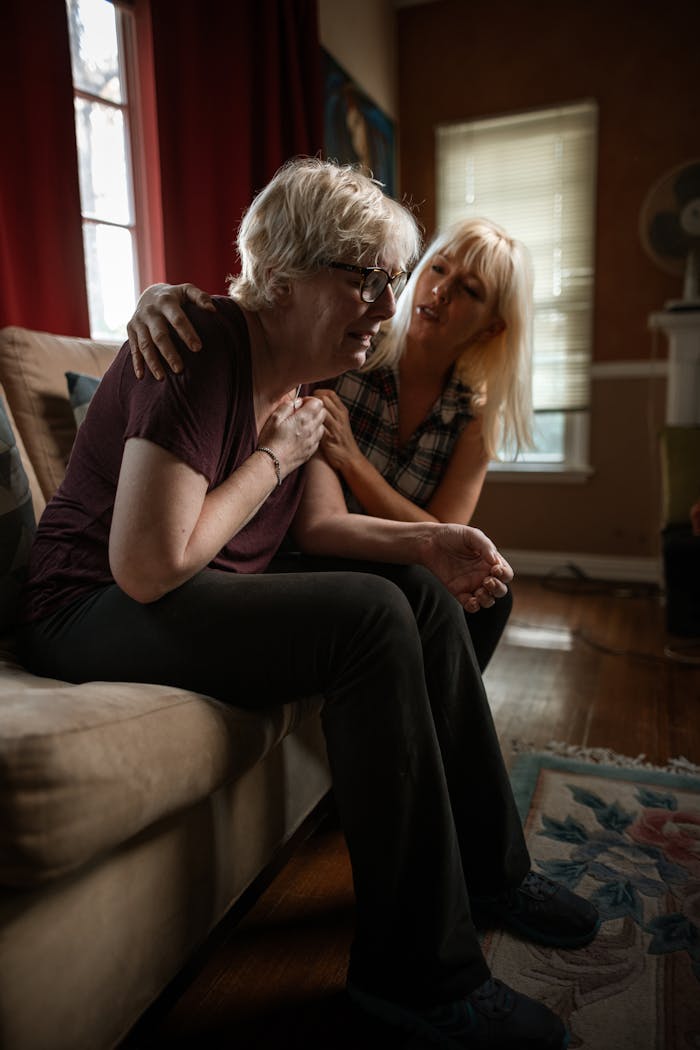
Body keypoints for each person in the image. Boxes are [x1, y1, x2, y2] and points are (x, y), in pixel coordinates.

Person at [19, 158, 598, 1050]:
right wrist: (277, 457)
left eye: (394, 279)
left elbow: (322, 529)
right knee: (368, 622)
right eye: (369, 278)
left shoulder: (301, 380)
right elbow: (146, 565)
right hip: (86, 604)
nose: (390, 301)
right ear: (285, 272)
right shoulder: (202, 346)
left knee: (417, 597)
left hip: (191, 584)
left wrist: (430, 546)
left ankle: (492, 871)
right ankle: (416, 979)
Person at [126, 217, 533, 673]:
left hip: (394, 552)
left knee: (489, 597)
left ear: (490, 329)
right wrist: (158, 294)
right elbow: (322, 524)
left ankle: (445, 732)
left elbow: (444, 532)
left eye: (470, 290)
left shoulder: (471, 418)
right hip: (315, 547)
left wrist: (354, 463)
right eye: (439, 270)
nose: (441, 292)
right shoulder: (349, 355)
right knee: (423, 585)